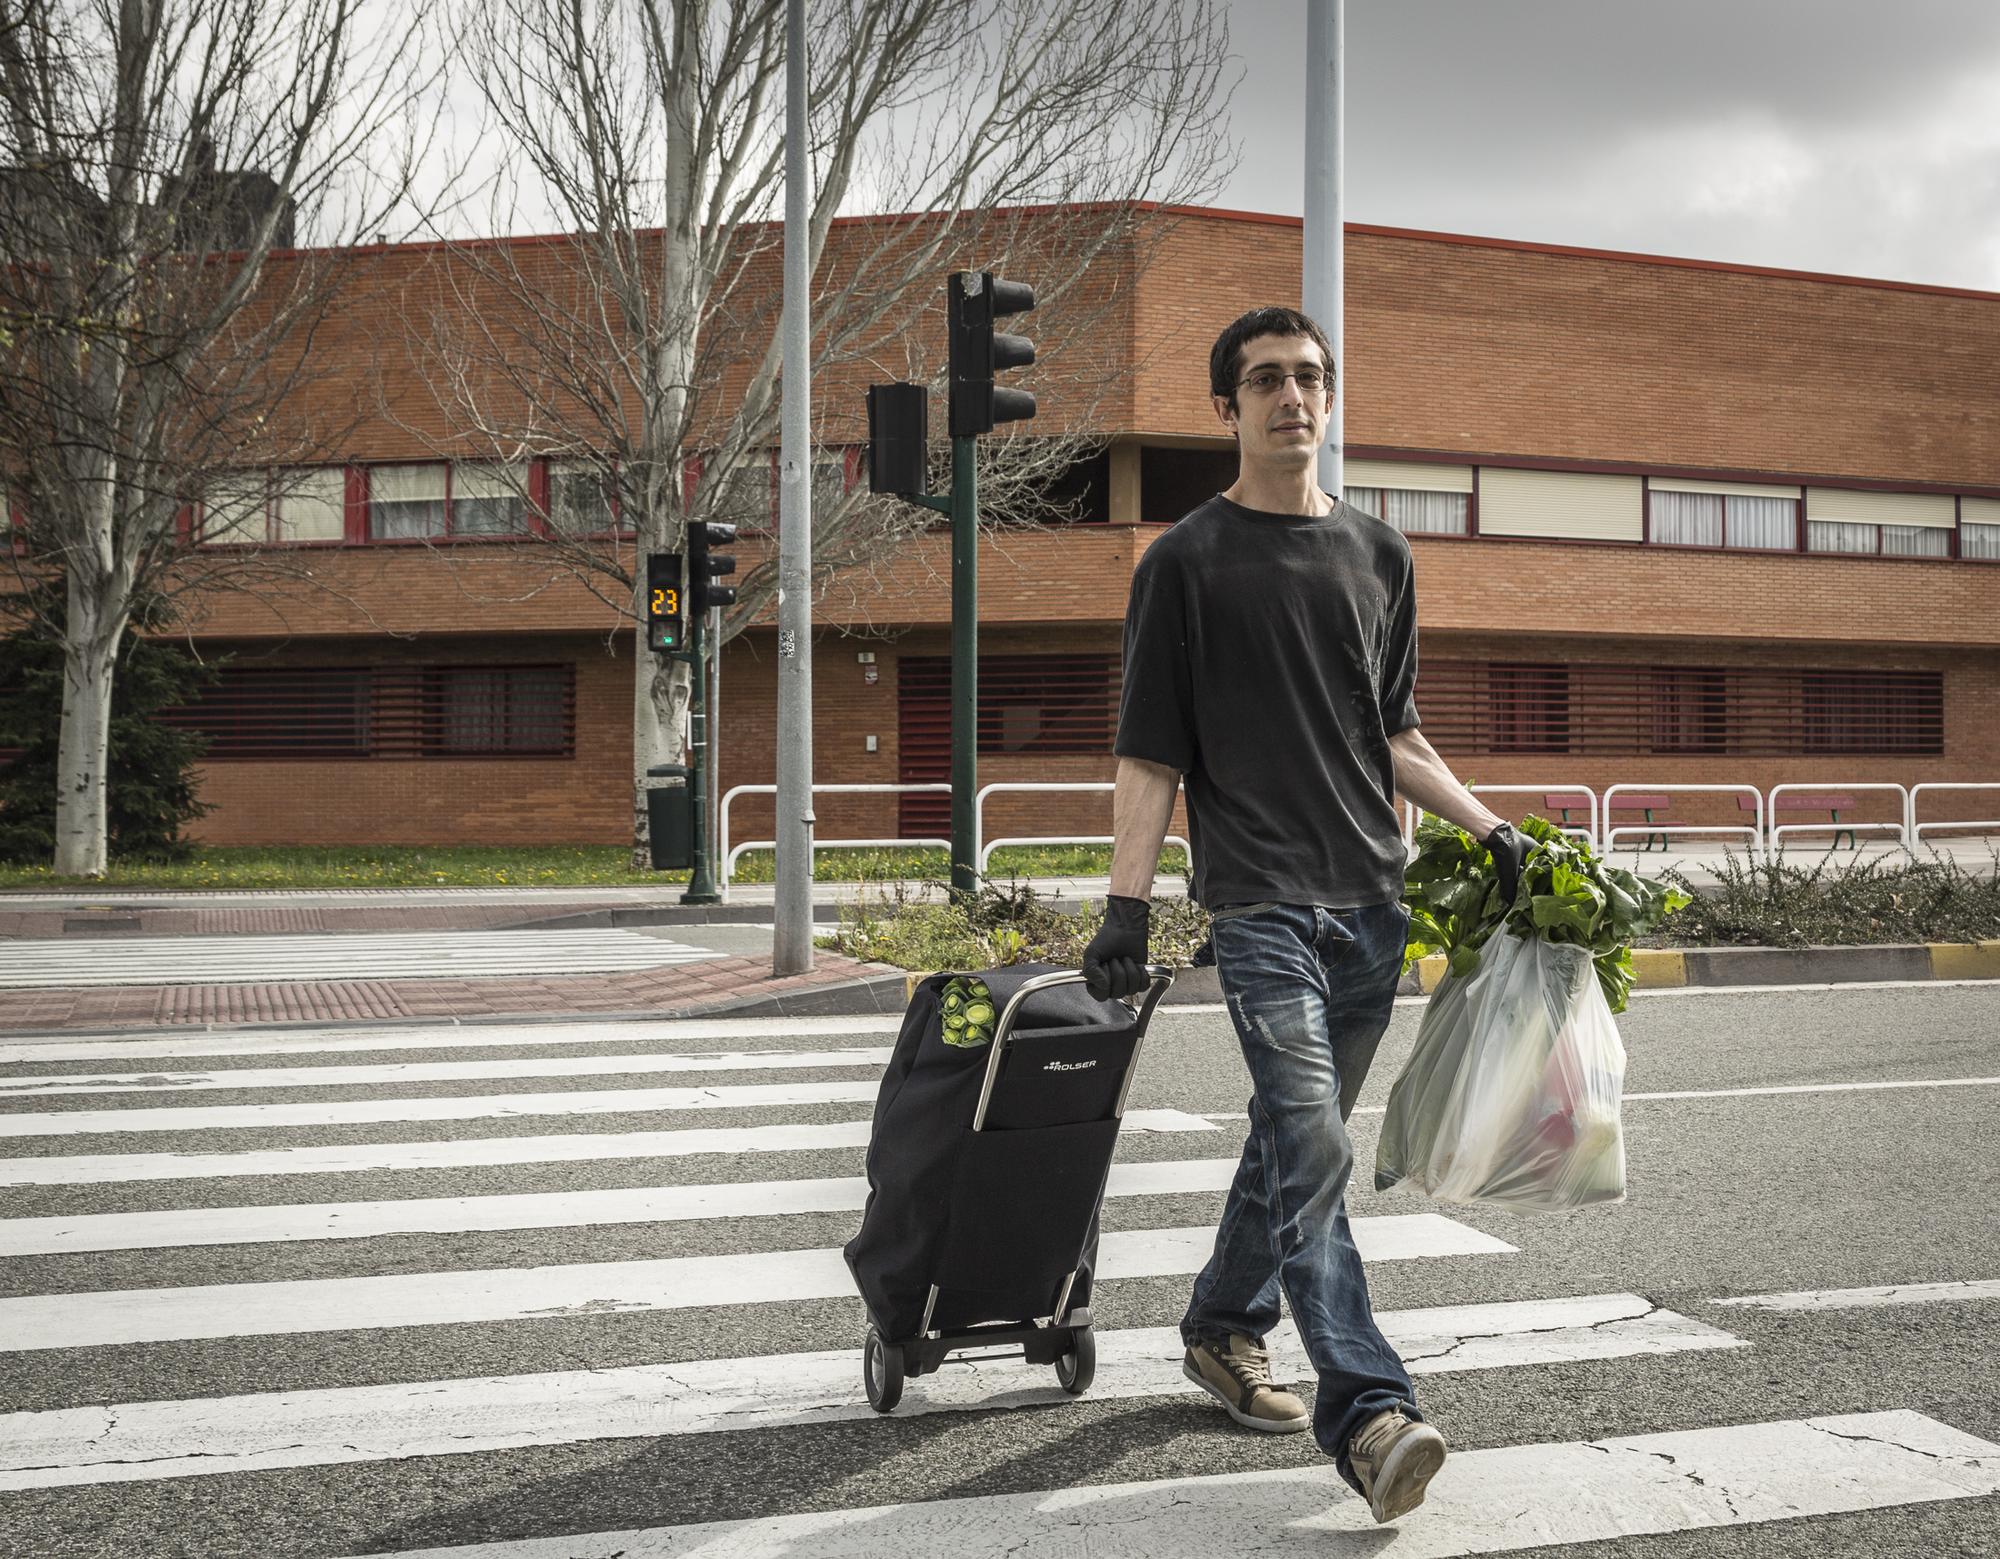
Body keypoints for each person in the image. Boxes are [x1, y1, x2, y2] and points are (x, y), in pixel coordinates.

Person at [1082, 305, 1528, 1526]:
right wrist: (1125, 905)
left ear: (1330, 398)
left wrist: (1491, 829)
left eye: (1310, 377)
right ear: (1226, 405)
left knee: (1295, 1133)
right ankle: (1369, 1411)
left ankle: (1221, 1327)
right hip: (1260, 900)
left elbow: (1394, 733)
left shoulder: (1380, 555)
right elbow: (1148, 754)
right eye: (1265, 379)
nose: (1292, 395)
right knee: (1312, 1140)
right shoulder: (1183, 562)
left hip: (1368, 905)